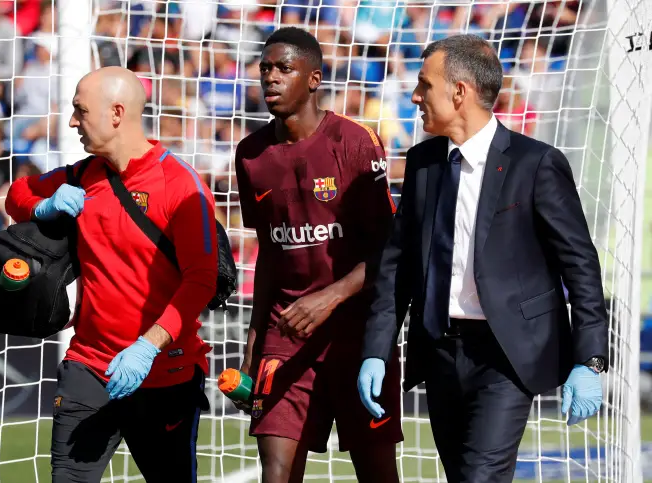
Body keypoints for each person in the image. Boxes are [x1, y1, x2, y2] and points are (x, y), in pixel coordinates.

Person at [357, 34, 608, 482]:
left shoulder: (537, 163)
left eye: (424, 85)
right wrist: (376, 350)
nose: (415, 96)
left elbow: (581, 265)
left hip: (507, 356)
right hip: (439, 351)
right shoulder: (421, 163)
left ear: (459, 92)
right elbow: (396, 268)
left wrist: (588, 361)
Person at [4, 66, 218, 483]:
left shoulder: (182, 185)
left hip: (164, 373)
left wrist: (147, 347)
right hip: (87, 368)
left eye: (80, 111)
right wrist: (40, 208)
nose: (71, 122)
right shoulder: (83, 175)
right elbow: (18, 194)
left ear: (116, 113)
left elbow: (201, 281)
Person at [234, 27, 403, 483]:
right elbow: (270, 252)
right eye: (265, 68)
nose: (270, 77)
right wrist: (252, 347)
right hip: (285, 335)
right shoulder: (250, 154)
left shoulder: (354, 142)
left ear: (313, 78)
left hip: (357, 335)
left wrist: (329, 297)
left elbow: (389, 251)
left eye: (284, 68)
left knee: (377, 472)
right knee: (277, 472)